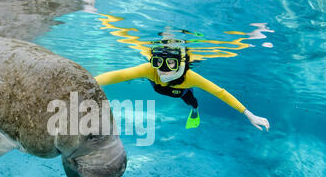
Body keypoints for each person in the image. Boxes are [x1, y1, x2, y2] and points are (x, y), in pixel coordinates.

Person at [95, 44, 270, 130]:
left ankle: (195, 111)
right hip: (157, 87)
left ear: (179, 63)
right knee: (144, 76)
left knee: (192, 101)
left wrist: (249, 114)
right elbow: (117, 75)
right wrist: (89, 82)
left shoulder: (190, 76)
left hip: (181, 91)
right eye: (158, 62)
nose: (162, 69)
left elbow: (220, 92)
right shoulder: (150, 70)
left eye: (170, 63)